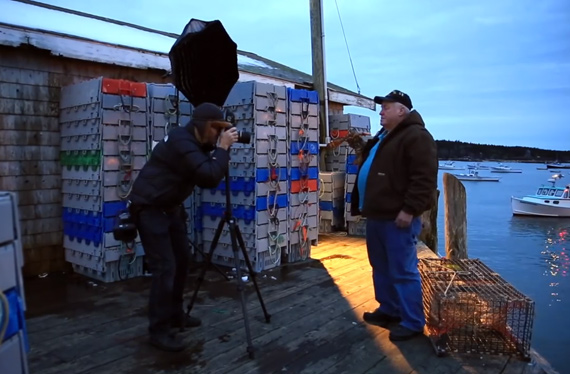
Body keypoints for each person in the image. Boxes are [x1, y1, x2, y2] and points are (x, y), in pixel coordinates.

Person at [128, 102, 238, 352]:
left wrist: (218, 150)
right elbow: (209, 177)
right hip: (150, 208)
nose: (218, 135)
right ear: (203, 126)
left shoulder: (194, 143)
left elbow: (205, 172)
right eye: (216, 129)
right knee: (164, 268)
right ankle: (158, 330)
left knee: (182, 261)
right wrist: (222, 149)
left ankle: (176, 314)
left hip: (170, 208)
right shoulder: (181, 140)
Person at [350, 90, 438, 341]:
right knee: (380, 267)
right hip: (377, 215)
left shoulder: (417, 136)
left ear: (402, 110)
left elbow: (424, 179)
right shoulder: (385, 136)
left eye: (386, 107)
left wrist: (409, 210)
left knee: (402, 270)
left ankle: (412, 321)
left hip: (397, 217)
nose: (381, 111)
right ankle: (389, 309)